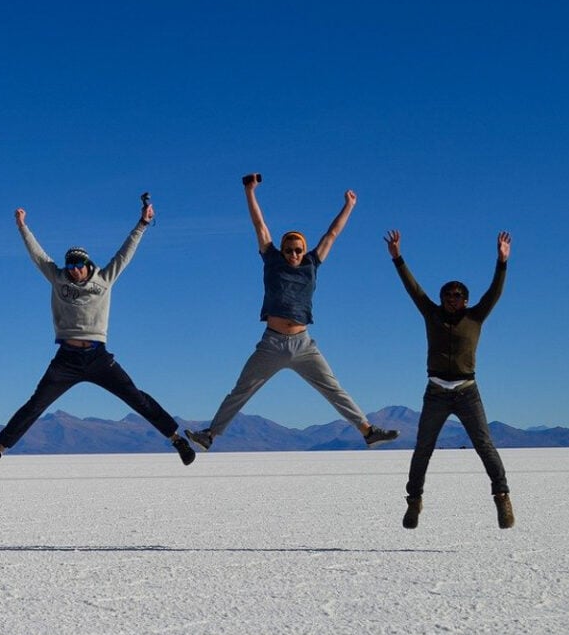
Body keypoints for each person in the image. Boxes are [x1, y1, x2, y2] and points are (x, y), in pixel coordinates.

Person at [0, 198, 196, 477]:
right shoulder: (58, 279)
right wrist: (22, 226)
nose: (73, 271)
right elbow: (37, 255)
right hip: (66, 359)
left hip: (97, 357)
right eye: (69, 267)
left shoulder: (104, 279)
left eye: (77, 266)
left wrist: (143, 223)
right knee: (36, 404)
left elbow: (125, 253)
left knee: (136, 398)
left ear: (87, 263)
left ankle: (177, 439)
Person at [185, 175, 398, 452]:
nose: (293, 254)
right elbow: (259, 225)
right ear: (282, 250)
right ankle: (210, 435)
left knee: (333, 390)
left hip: (303, 344)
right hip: (272, 343)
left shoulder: (312, 263)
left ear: (304, 249)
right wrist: (250, 192)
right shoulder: (271, 260)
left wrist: (349, 206)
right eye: (289, 250)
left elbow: (331, 234)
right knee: (242, 390)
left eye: (298, 249)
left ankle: (368, 432)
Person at [386, 229, 514, 529]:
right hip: (436, 392)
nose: (451, 300)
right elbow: (414, 289)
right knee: (423, 448)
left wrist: (502, 262)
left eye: (457, 296)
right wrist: (397, 259)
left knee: (484, 445)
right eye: (447, 295)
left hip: (468, 391)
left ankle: (502, 497)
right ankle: (414, 502)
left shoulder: (475, 317)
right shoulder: (432, 314)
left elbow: (495, 292)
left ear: (466, 300)